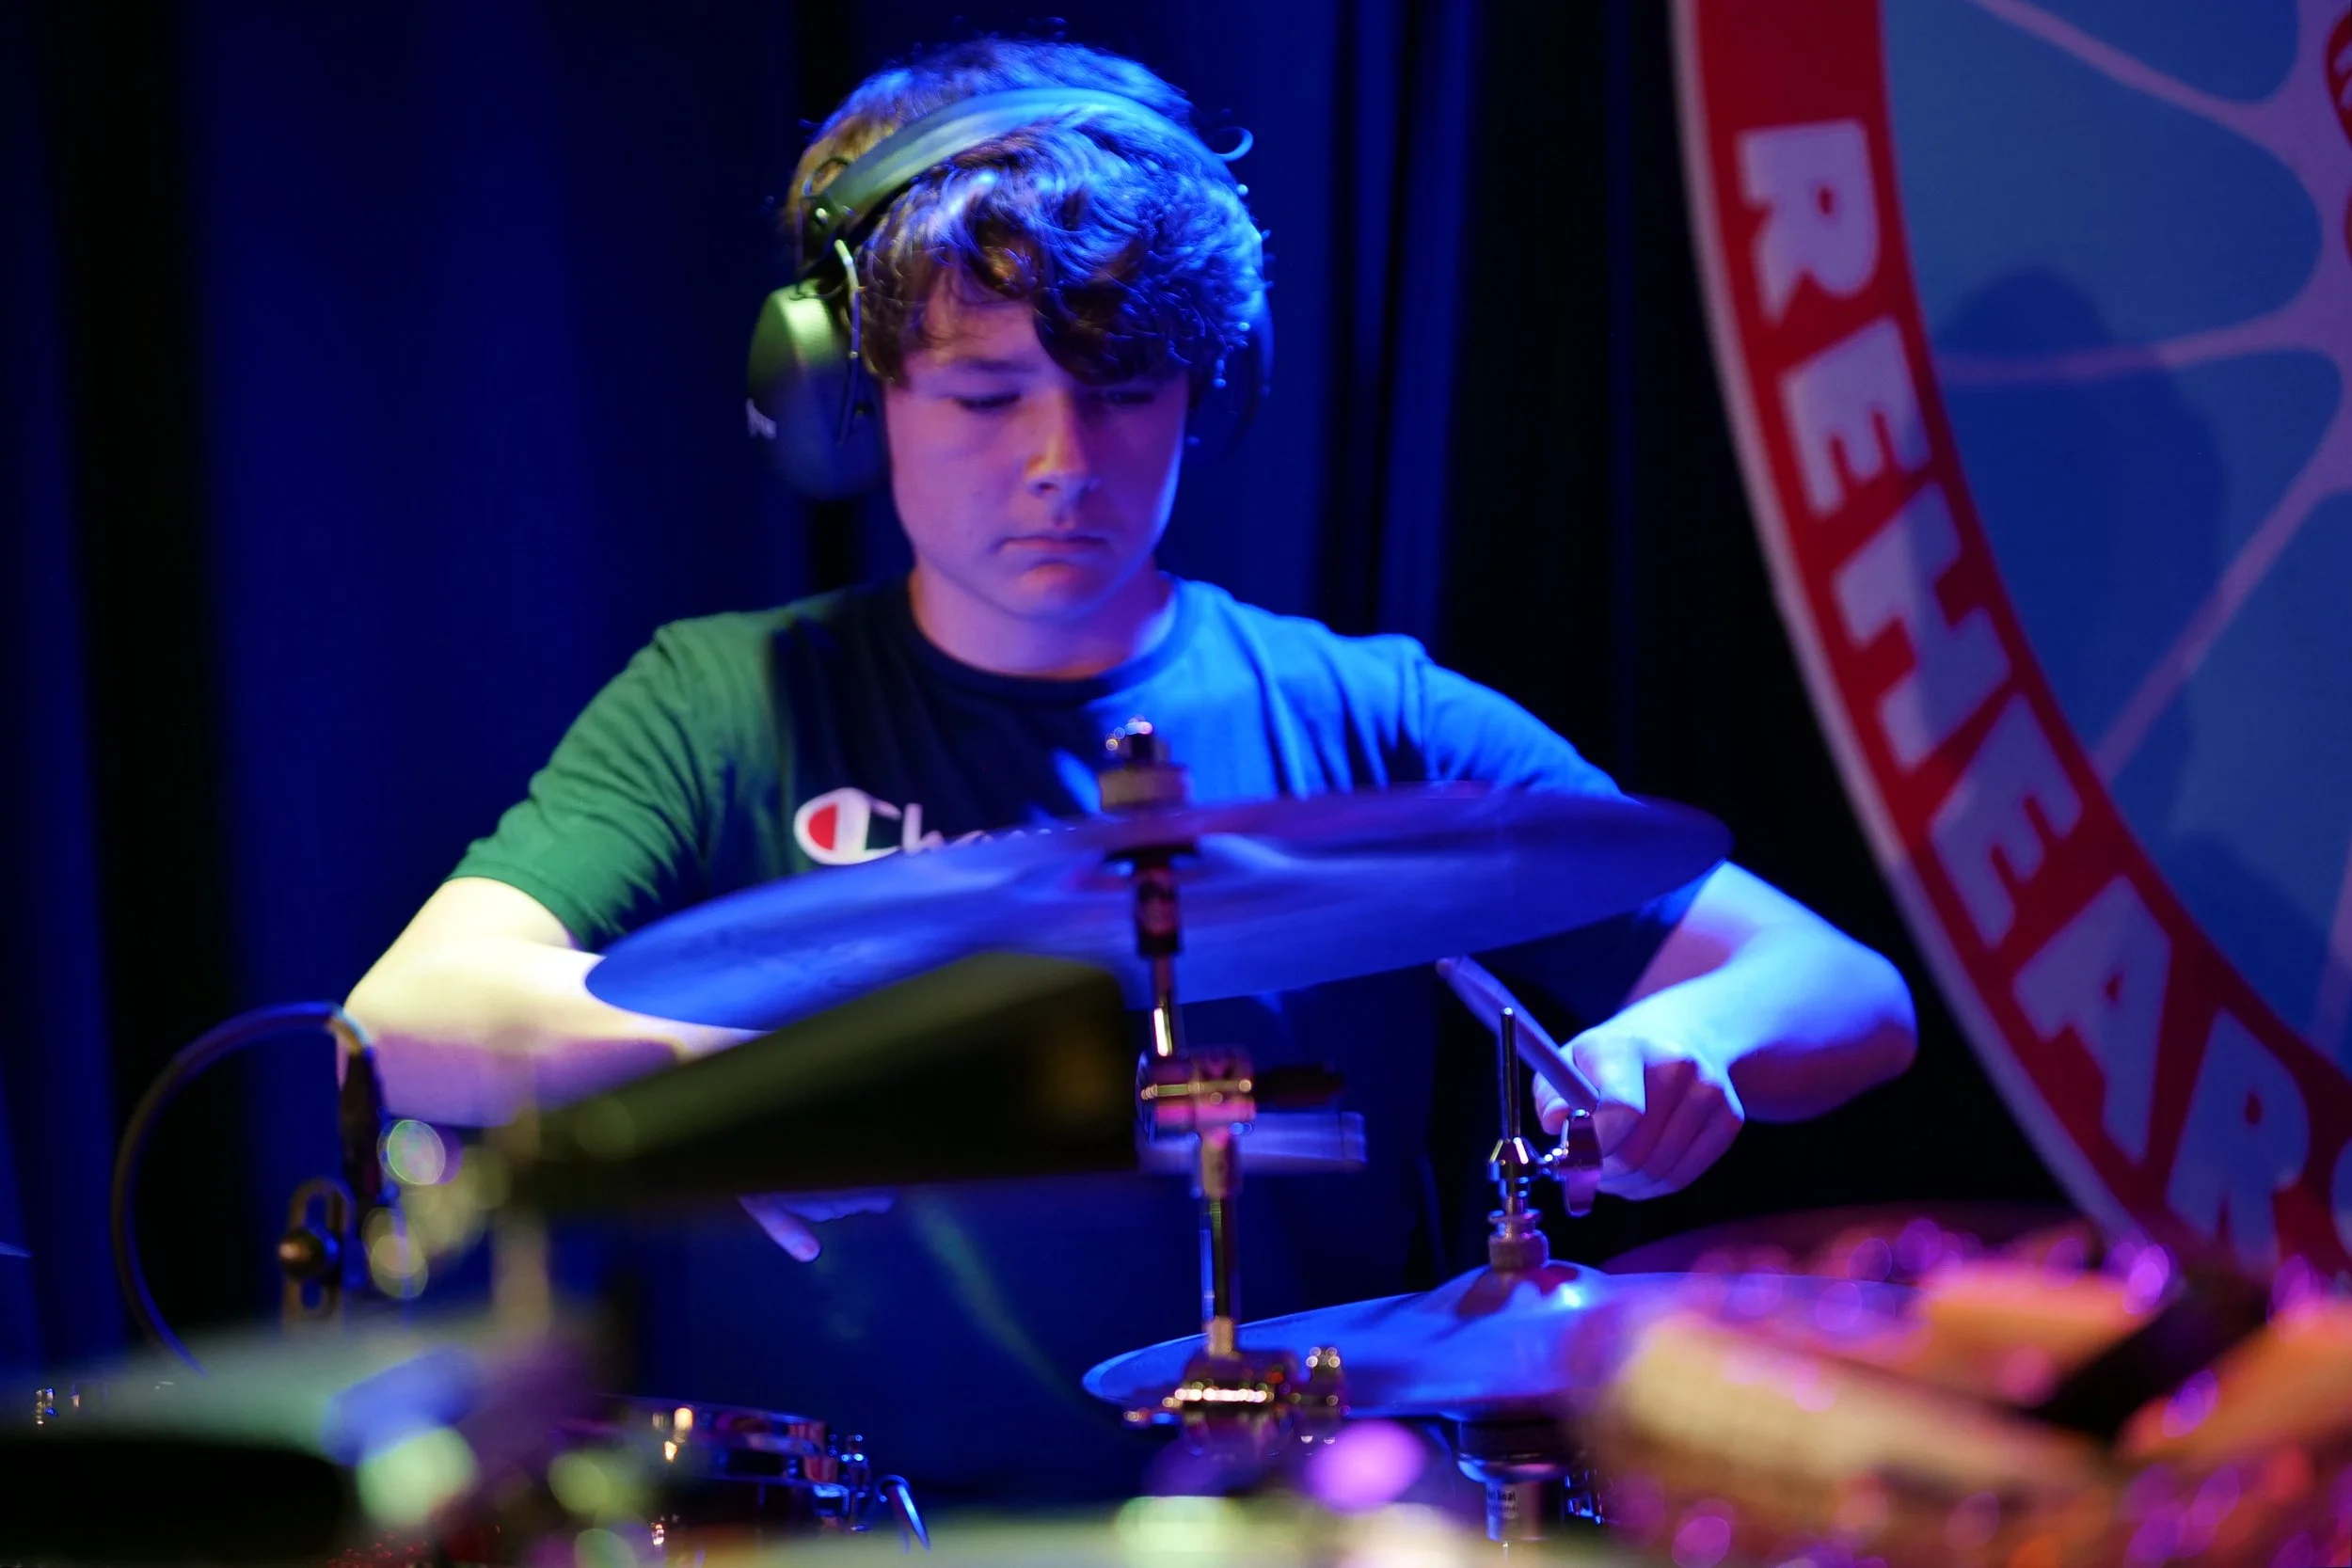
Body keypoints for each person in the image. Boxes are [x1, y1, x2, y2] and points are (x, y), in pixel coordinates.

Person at [344, 36, 1916, 1501]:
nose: (1059, 463)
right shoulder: (721, 702)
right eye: (984, 394)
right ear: (848, 396)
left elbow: (1844, 990)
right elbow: (401, 1025)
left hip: (1287, 1516)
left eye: (1120, 395)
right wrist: (738, 1090)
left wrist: (1678, 1046)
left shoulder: (1364, 712)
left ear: (1207, 395)